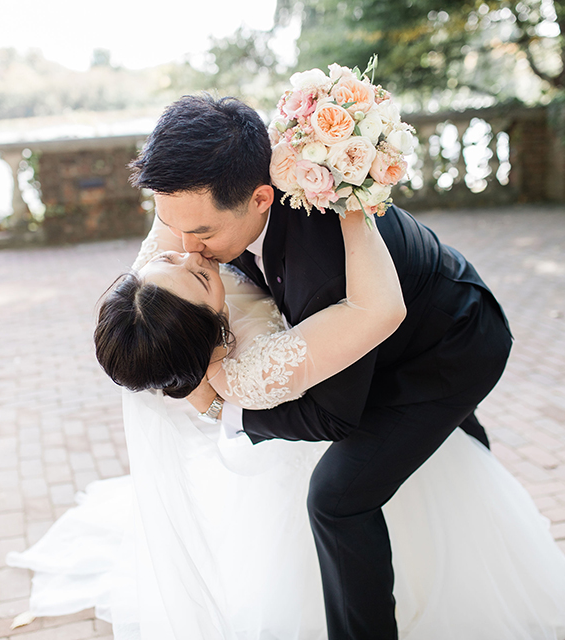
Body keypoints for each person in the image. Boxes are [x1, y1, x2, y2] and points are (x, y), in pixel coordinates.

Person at [7, 199, 565, 639]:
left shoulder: (169, 269)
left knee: (364, 482)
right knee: (349, 491)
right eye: (198, 275)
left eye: (185, 250)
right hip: (359, 362)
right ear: (214, 333)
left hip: (445, 339)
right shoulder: (242, 361)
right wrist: (216, 400)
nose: (191, 251)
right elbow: (327, 406)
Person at [121, 94, 526, 639]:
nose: (188, 251)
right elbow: (165, 258)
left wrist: (224, 409)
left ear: (261, 198)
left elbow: (335, 417)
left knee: (336, 499)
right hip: (390, 333)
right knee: (431, 449)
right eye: (175, 228)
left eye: (203, 236)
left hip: (448, 349)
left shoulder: (324, 258)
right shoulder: (214, 199)